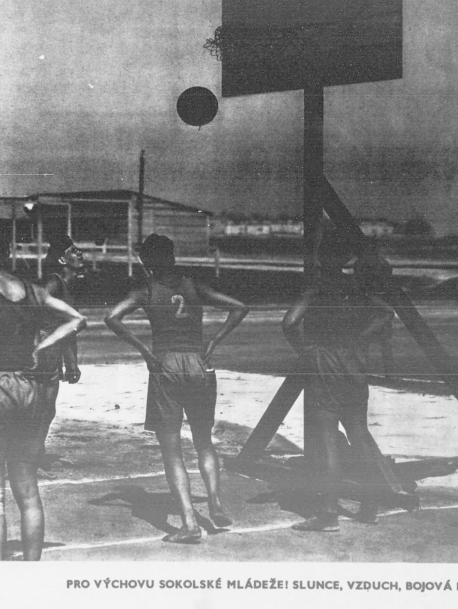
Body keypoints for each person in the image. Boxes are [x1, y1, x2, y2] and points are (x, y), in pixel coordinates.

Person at [0, 226, 86, 561]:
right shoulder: (34, 290)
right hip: (29, 388)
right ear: (7, 253)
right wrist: (44, 346)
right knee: (27, 489)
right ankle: (31, 566)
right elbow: (77, 320)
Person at [105, 233, 249, 544]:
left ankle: (189, 524)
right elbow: (239, 307)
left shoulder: (145, 290)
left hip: (165, 364)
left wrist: (144, 351)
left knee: (172, 451)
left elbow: (112, 317)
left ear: (145, 260)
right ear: (172, 256)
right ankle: (215, 503)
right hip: (199, 363)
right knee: (204, 441)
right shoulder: (193, 284)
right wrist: (214, 340)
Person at [282, 234, 418, 532]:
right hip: (354, 363)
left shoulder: (317, 287)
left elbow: (289, 323)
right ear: (347, 258)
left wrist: (306, 351)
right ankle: (369, 506)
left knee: (329, 438)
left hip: (326, 362)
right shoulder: (359, 286)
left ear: (321, 257)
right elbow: (386, 313)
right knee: (359, 433)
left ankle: (329, 512)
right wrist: (361, 338)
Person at [37, 233, 86, 469]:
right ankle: (29, 451)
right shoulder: (54, 282)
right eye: (73, 251)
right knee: (41, 405)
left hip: (52, 347)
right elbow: (34, 307)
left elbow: (69, 329)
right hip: (43, 346)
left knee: (47, 406)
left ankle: (34, 449)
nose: (80, 253)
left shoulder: (68, 285)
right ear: (63, 260)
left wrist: (72, 363)